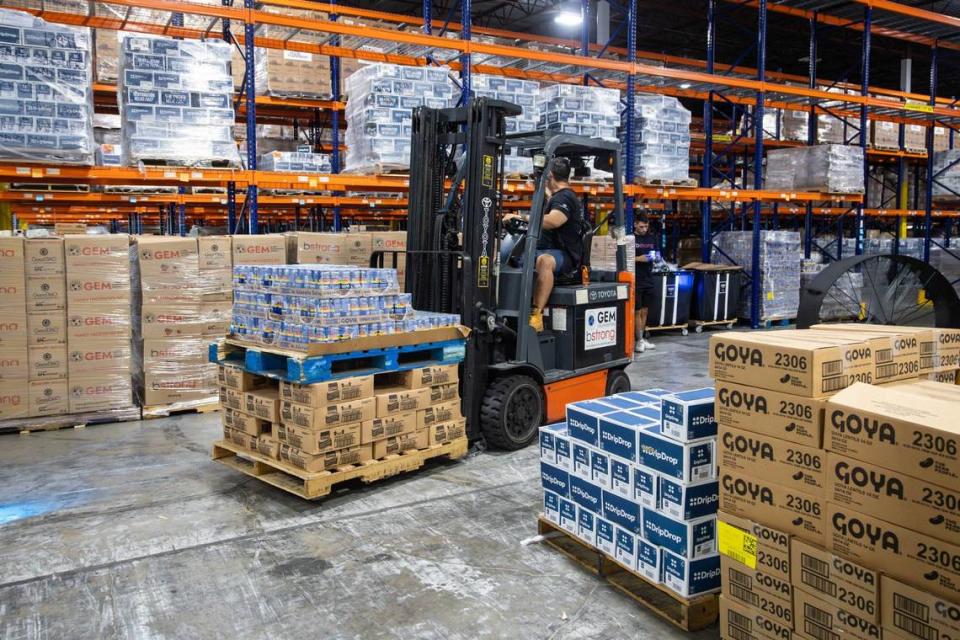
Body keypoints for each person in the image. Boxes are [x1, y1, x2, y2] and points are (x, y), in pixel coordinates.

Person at [504, 157, 584, 333]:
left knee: (544, 261)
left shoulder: (566, 197)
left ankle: (536, 315)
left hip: (564, 255)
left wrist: (521, 217)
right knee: (507, 259)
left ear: (550, 174)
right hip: (546, 249)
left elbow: (554, 221)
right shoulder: (556, 196)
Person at [634, 214, 659, 353]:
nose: (644, 229)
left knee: (645, 310)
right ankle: (638, 340)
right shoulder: (631, 239)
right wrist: (639, 258)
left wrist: (651, 257)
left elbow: (657, 255)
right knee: (637, 311)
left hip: (648, 279)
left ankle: (642, 339)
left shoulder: (651, 238)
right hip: (636, 279)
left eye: (646, 226)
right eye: (641, 226)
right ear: (635, 224)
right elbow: (626, 257)